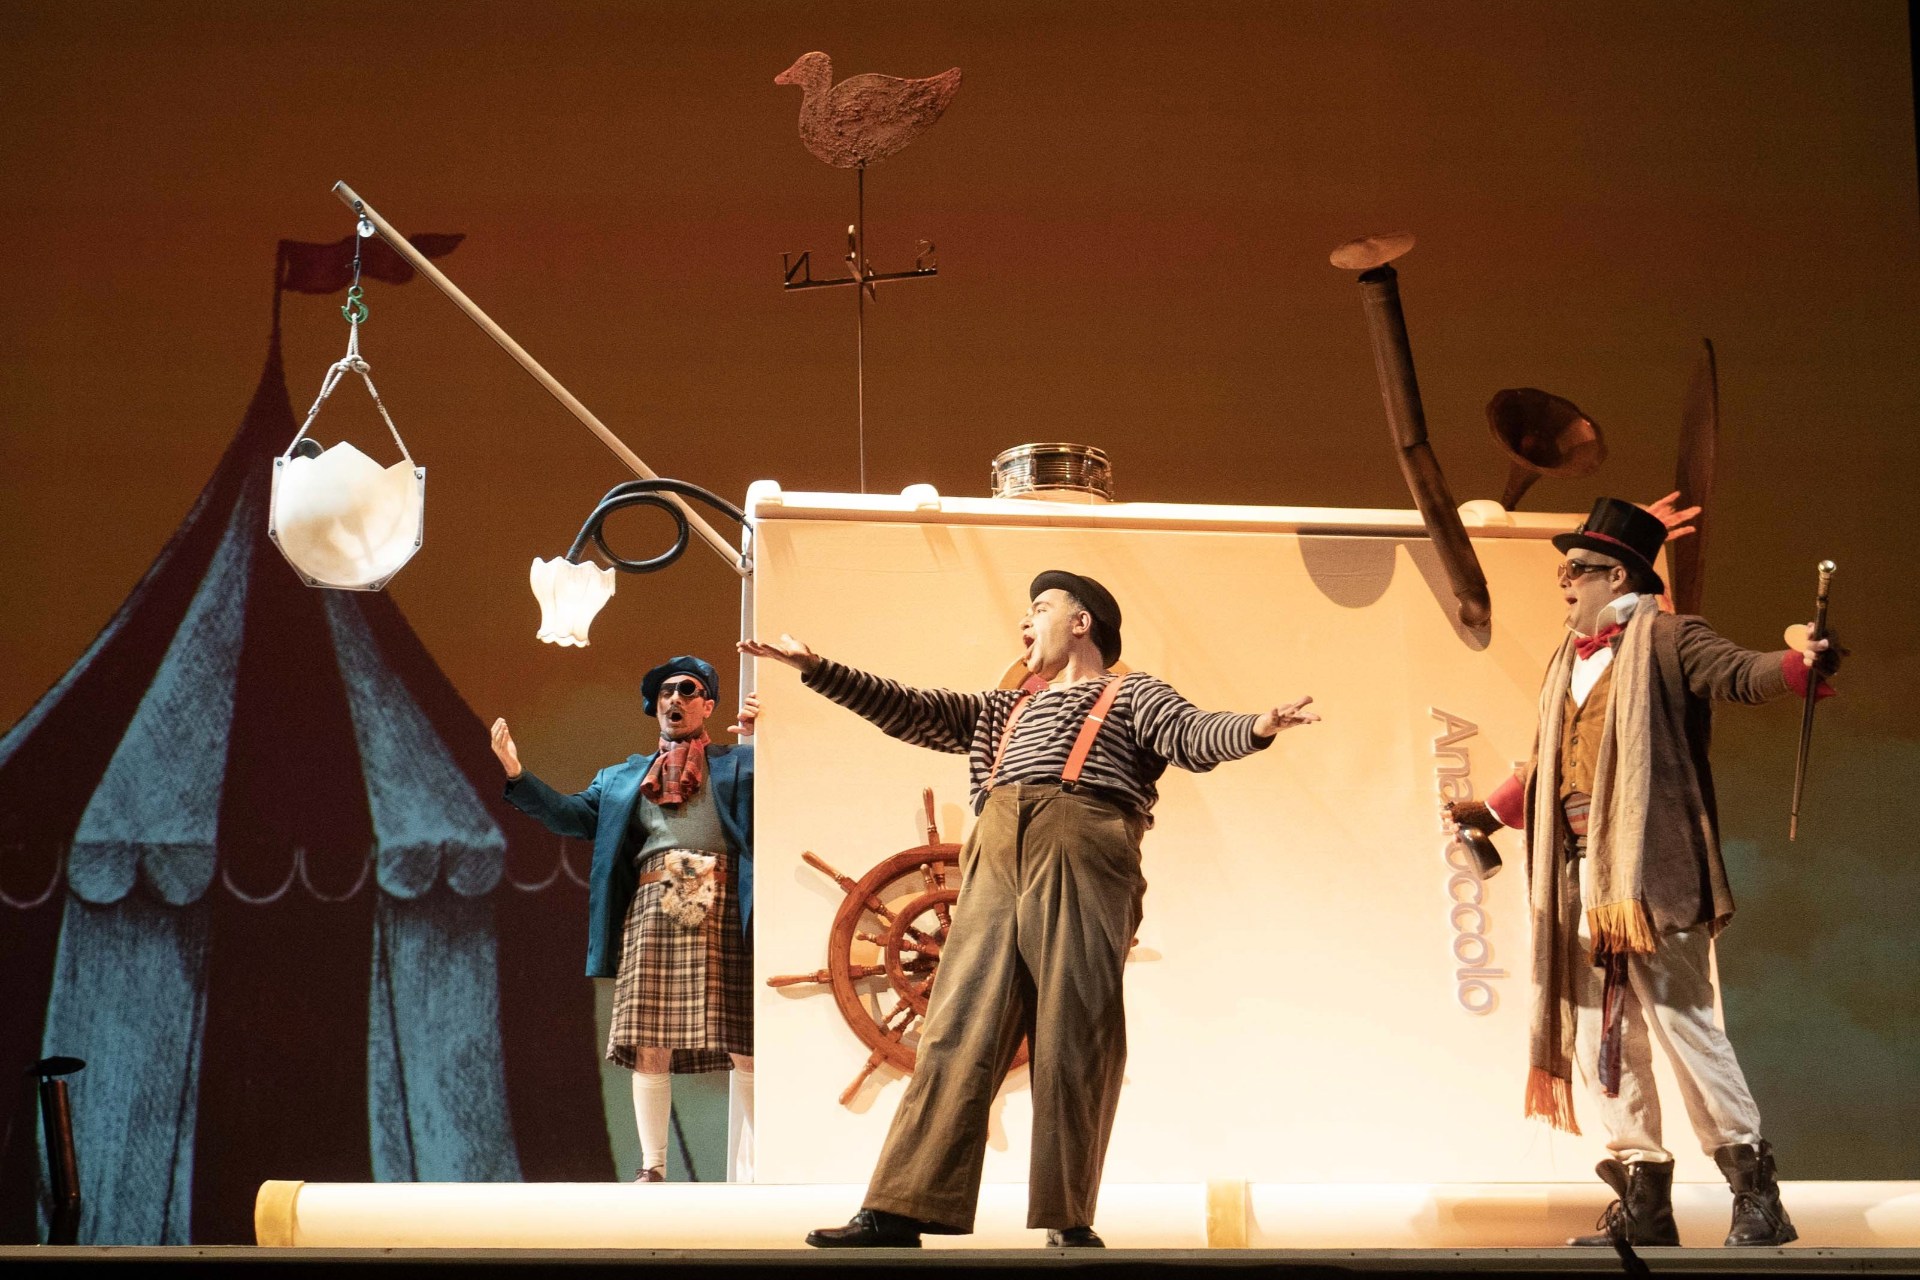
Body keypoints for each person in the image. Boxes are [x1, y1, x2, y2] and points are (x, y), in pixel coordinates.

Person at [741, 570, 1320, 1248]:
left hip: (1083, 842)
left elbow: (1194, 734)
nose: (1025, 621)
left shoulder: (1132, 693)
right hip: (995, 850)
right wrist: (818, 669)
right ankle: (898, 1208)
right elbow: (912, 708)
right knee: (955, 1026)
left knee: (1075, 1027)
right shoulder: (1003, 708)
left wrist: (1258, 726)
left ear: (1081, 623)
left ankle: (1068, 1217)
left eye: (1039, 608)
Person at [1449, 497, 1839, 1250]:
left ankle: (1755, 1195)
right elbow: (1551, 763)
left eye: (1575, 570)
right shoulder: (1567, 660)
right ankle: (1644, 1201)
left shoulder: (1670, 637)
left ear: (1617, 576)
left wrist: (1798, 663)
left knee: (1684, 1025)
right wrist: (1491, 814)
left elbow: (1740, 673)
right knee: (1606, 1036)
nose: (1563, 582)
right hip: (1577, 878)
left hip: (1652, 875)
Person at [488, 657, 758, 1182]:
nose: (674, 698)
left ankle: (765, 1160)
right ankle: (653, 1168)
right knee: (649, 1041)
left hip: (723, 904)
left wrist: (768, 737)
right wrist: (517, 773)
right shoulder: (621, 778)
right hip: (654, 906)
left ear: (708, 706)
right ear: (656, 707)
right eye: (665, 692)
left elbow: (787, 788)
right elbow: (571, 816)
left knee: (743, 1038)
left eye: (687, 690)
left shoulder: (740, 764)